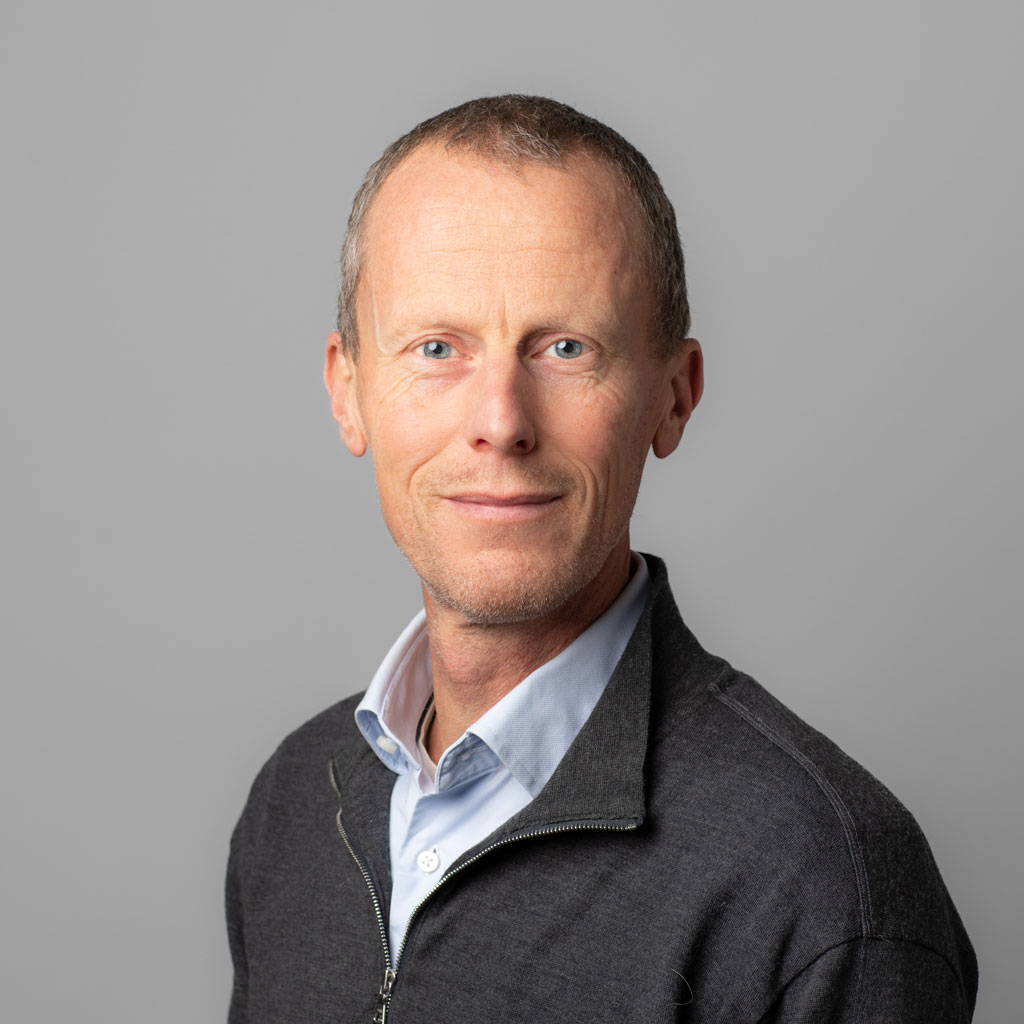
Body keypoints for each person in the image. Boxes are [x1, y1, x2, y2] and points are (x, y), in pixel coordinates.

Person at [225, 95, 977, 1023]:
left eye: (566, 348)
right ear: (348, 391)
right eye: (437, 347)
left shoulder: (823, 883)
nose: (501, 422)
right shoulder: (297, 801)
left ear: (673, 396)